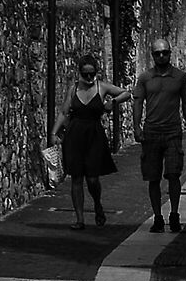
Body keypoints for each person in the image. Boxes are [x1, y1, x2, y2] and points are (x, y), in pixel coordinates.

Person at [52, 51, 131, 228]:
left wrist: (113, 102)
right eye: (85, 74)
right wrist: (54, 132)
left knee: (93, 179)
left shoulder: (101, 87)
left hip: (94, 135)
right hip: (74, 136)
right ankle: (80, 219)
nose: (88, 77)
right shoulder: (73, 89)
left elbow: (126, 93)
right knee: (76, 178)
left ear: (96, 72)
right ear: (79, 73)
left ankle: (97, 205)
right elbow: (64, 112)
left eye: (91, 73)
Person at [131, 35, 186, 233]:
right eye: (157, 53)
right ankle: (158, 217)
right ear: (153, 55)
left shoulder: (180, 77)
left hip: (172, 133)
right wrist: (136, 127)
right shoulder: (145, 78)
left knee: (173, 175)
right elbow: (137, 102)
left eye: (165, 53)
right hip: (151, 133)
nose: (161, 56)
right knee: (153, 177)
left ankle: (174, 214)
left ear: (170, 53)